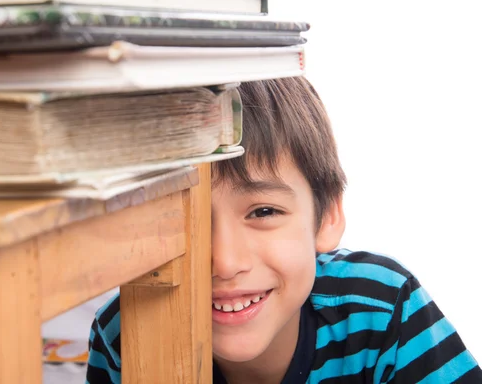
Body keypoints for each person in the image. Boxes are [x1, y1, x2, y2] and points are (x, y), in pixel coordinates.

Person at [85, 77, 482, 383]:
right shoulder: (124, 334)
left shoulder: (381, 308)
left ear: (326, 217)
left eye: (262, 211)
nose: (224, 262)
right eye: (182, 218)